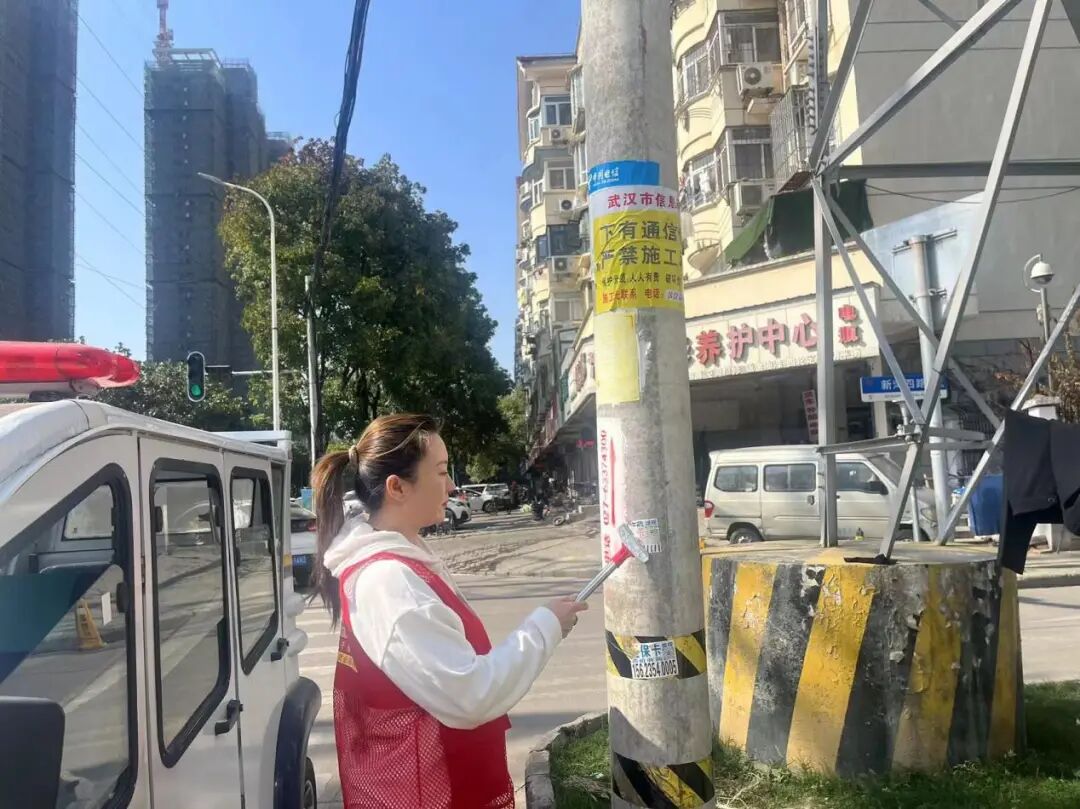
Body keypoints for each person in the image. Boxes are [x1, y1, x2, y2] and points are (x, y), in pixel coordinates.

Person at [311, 414, 588, 808]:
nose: (453, 486)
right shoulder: (388, 582)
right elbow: (469, 696)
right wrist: (546, 626)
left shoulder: (402, 559)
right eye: (441, 472)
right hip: (426, 796)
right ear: (397, 487)